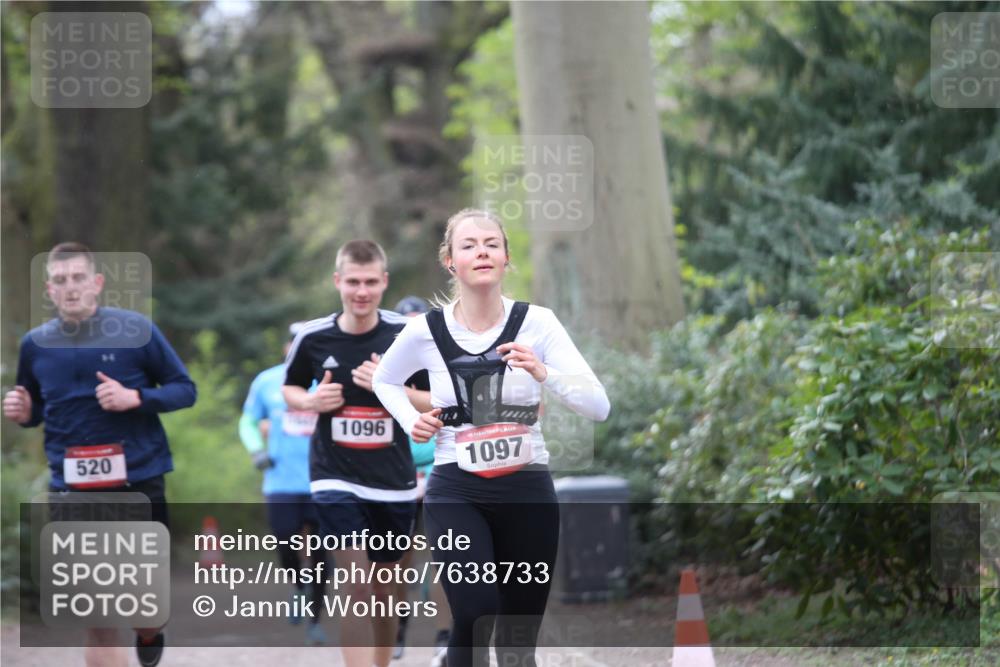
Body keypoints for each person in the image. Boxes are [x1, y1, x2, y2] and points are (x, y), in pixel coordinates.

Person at [372, 209, 611, 667]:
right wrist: (409, 420)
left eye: (491, 244)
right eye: (469, 245)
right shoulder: (425, 330)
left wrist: (543, 372)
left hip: (527, 489)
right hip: (456, 488)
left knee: (518, 639)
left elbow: (598, 406)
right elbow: (385, 380)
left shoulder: (538, 322)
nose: (481, 252)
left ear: (505, 258)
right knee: (476, 610)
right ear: (450, 261)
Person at [3, 242, 197, 667]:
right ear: (49, 290)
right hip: (71, 488)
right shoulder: (35, 345)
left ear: (96, 283)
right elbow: (37, 409)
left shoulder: (136, 331)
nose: (70, 287)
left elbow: (185, 390)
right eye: (60, 280)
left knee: (147, 610)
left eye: (78, 278)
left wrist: (136, 397)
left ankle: (150, 632)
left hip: (138, 480)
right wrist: (24, 412)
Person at [282, 240, 432, 667]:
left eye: (369, 282)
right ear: (337, 282)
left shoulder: (406, 335)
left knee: (384, 590)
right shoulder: (314, 337)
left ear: (384, 282)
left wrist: (390, 387)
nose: (361, 292)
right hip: (334, 475)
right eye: (352, 282)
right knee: (358, 586)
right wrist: (311, 401)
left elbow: (435, 399)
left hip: (392, 480)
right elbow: (290, 387)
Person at [240, 322, 327, 645]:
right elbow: (248, 420)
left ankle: (315, 620)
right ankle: (298, 585)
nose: (298, 348)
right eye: (294, 342)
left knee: (322, 553)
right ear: (286, 347)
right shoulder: (267, 381)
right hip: (281, 480)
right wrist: (256, 450)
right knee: (285, 540)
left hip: (323, 480)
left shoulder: (328, 380)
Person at [390, 297, 451, 664]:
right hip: (396, 474)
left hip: (438, 468)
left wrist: (413, 397)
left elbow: (452, 403)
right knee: (398, 561)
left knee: (444, 558)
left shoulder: (441, 361)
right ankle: (398, 628)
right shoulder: (390, 363)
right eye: (406, 324)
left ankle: (445, 634)